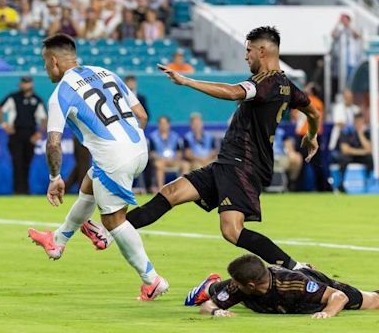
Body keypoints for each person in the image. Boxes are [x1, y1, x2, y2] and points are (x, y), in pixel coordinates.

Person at [88, 26, 320, 271]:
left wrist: (186, 81)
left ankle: (295, 267)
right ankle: (109, 231)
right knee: (172, 192)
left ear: (262, 51)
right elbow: (313, 112)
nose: (246, 56)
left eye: (249, 50)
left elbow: (233, 92)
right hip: (229, 162)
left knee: (232, 231)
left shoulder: (264, 83)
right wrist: (312, 136)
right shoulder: (287, 86)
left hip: (244, 166)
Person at [27, 33, 169, 301]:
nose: (46, 69)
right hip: (140, 148)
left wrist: (55, 177)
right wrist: (127, 146)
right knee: (90, 183)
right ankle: (57, 241)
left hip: (116, 157)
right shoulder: (105, 72)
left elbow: (53, 143)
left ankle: (152, 280)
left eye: (45, 62)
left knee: (114, 221)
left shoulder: (60, 94)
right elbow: (142, 115)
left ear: (54, 61)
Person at [184, 254, 379, 318]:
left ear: (251, 285)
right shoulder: (240, 286)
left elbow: (339, 297)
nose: (233, 285)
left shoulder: (294, 284)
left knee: (373, 301)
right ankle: (211, 285)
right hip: (271, 300)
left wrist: (327, 313)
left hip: (314, 285)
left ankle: (212, 285)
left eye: (236, 281)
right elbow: (207, 307)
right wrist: (216, 312)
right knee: (224, 290)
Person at [0, 76, 47, 195]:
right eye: (24, 83)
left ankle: (26, 189)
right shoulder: (14, 97)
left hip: (30, 133)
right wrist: (4, 124)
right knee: (17, 162)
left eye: (27, 83)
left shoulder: (37, 99)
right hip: (16, 133)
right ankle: (17, 190)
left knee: (27, 163)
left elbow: (44, 118)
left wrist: (39, 133)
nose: (25, 85)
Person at [291, 82, 331, 192]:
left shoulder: (304, 101)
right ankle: (323, 188)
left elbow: (294, 116)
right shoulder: (319, 102)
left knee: (302, 163)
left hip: (304, 135)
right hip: (316, 134)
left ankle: (299, 188)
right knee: (317, 163)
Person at [335, 113, 373, 193]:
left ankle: (369, 181)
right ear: (354, 122)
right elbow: (345, 150)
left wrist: (360, 134)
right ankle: (341, 183)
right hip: (349, 156)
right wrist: (362, 152)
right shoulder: (346, 131)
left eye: (361, 123)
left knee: (369, 158)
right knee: (344, 158)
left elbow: (369, 149)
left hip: (358, 156)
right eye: (358, 122)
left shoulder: (366, 132)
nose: (359, 125)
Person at [149, 115, 189, 189]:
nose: (163, 126)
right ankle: (160, 190)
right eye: (161, 124)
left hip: (173, 160)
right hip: (160, 160)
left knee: (185, 165)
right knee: (159, 165)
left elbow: (179, 152)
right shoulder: (153, 137)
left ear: (169, 125)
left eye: (165, 123)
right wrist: (161, 158)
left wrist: (174, 159)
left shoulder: (175, 136)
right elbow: (152, 153)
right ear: (158, 125)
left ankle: (182, 189)